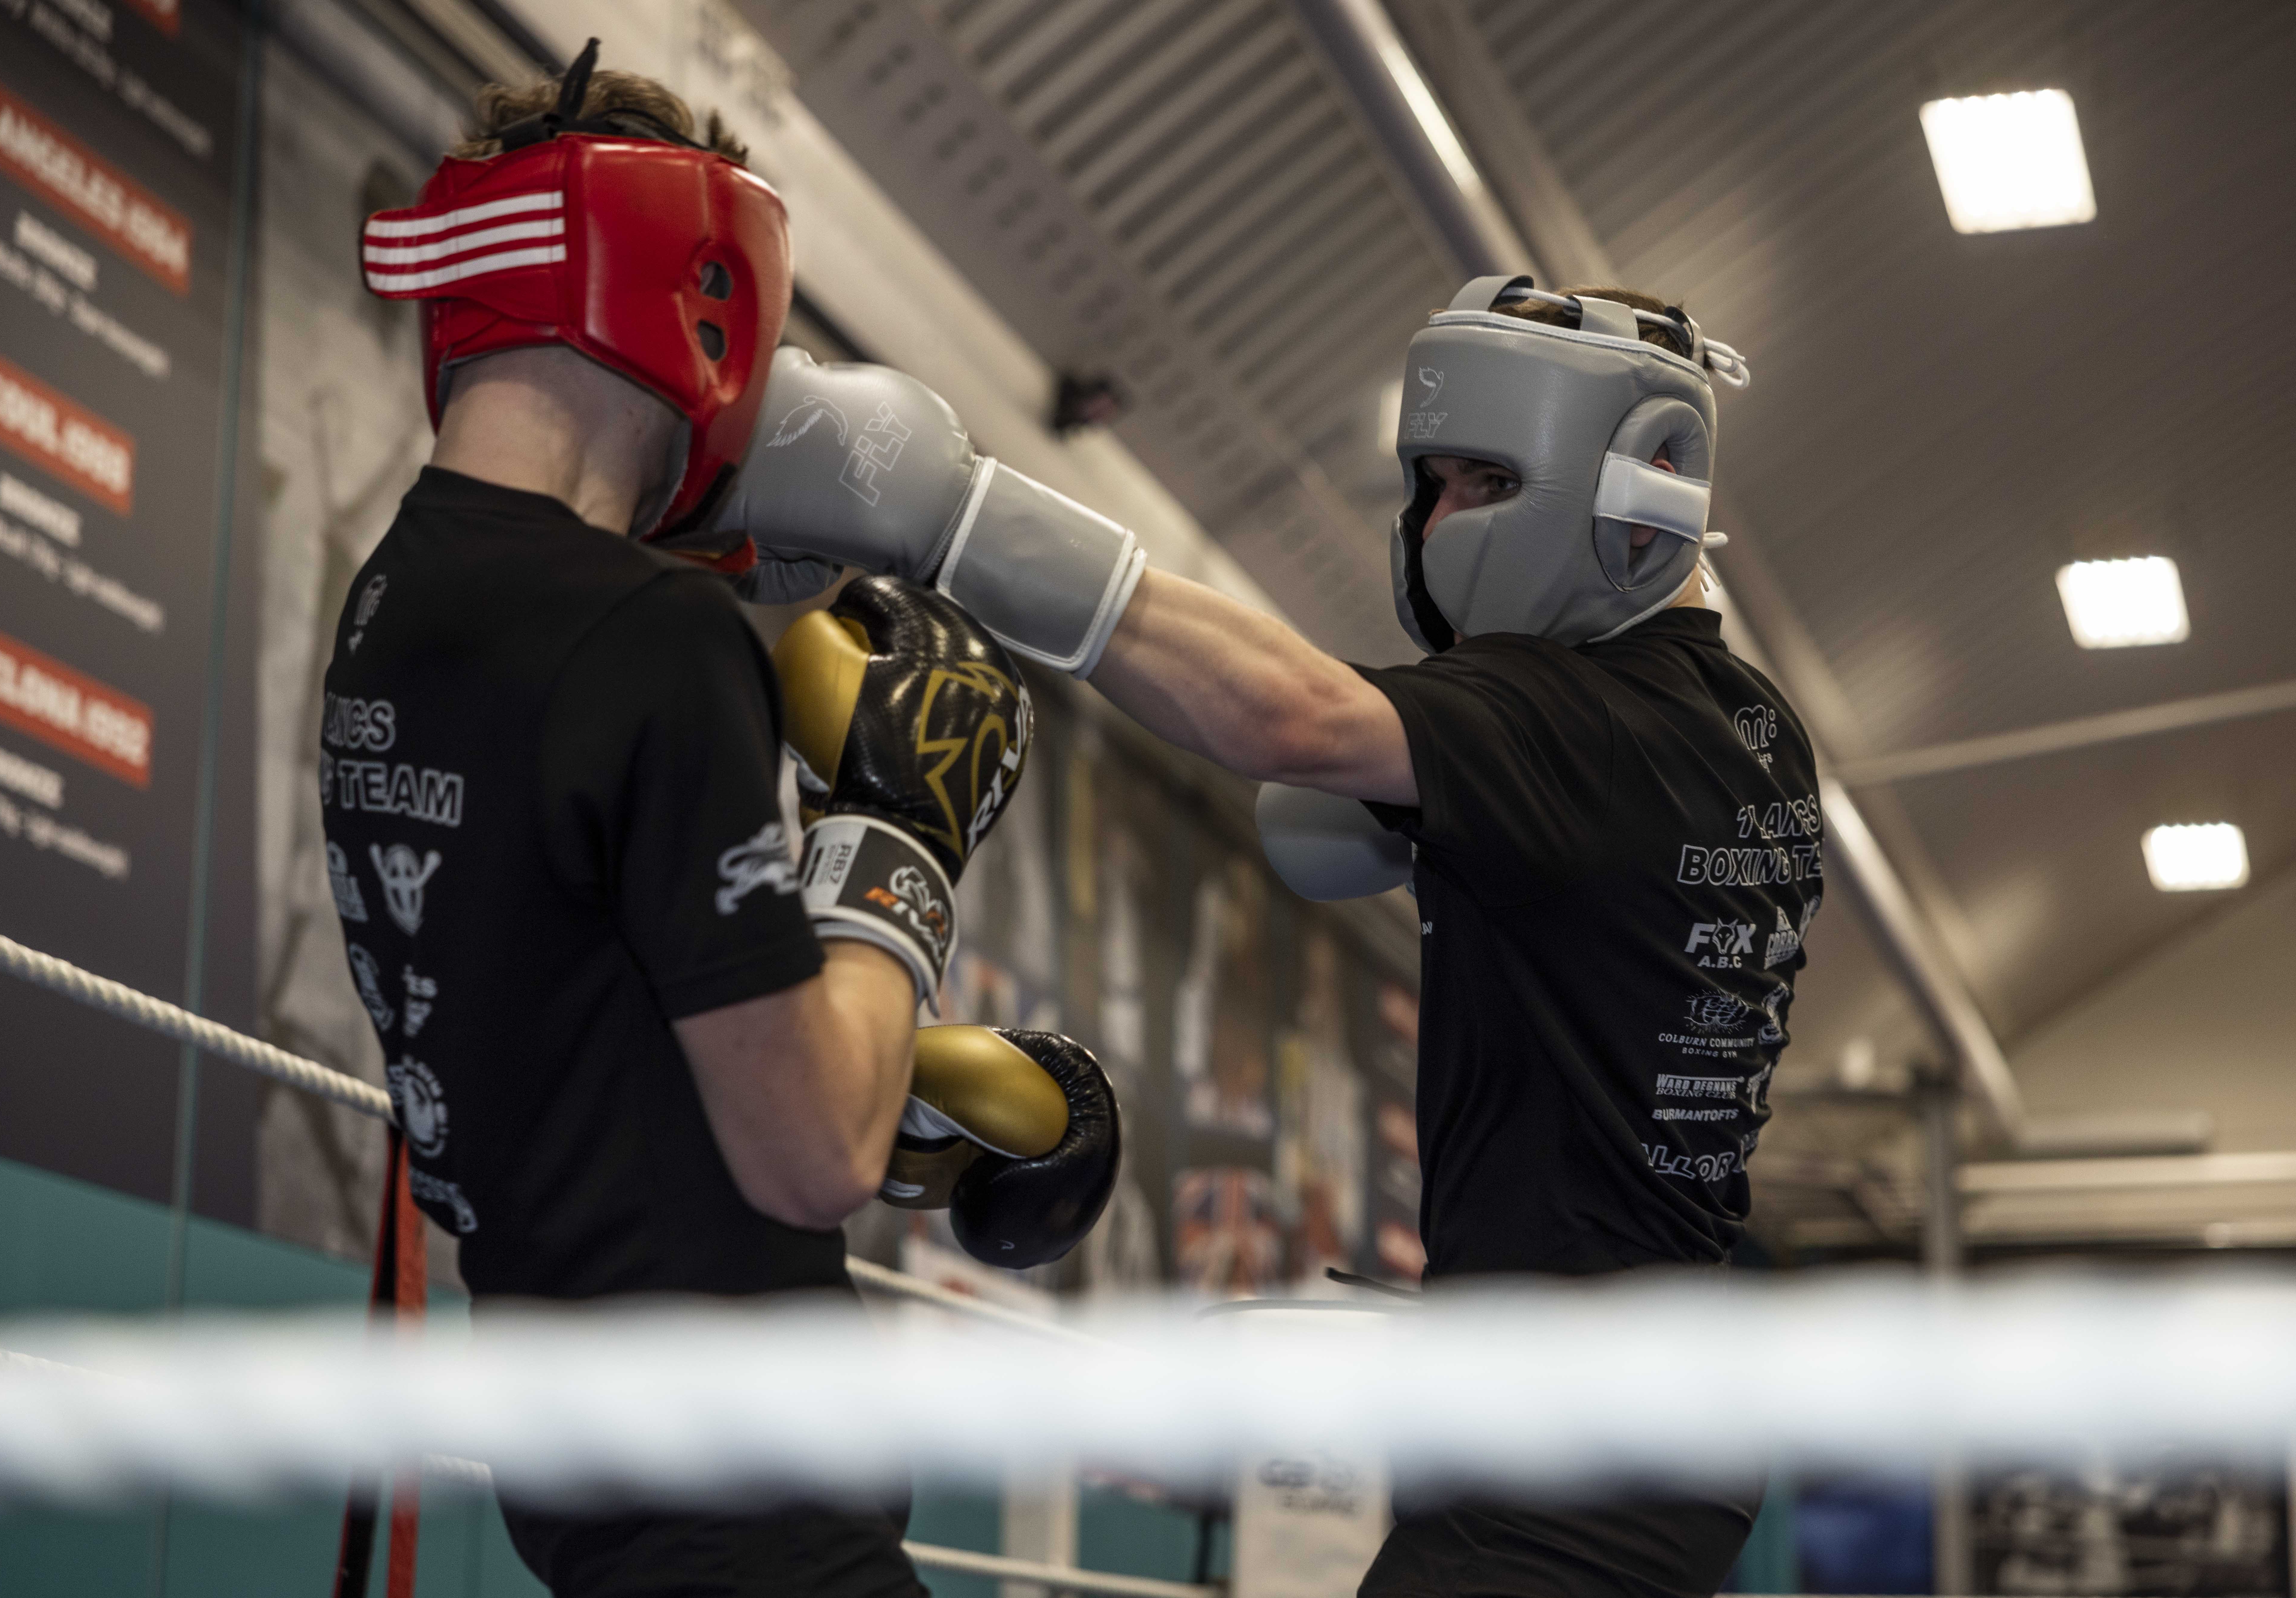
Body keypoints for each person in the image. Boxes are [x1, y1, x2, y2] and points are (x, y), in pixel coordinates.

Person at [717, 275, 1814, 1596]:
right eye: (1431, 487)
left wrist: (943, 509)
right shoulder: (1746, 733)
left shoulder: (1584, 720)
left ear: (1644, 487)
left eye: (1483, 483)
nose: (1437, 525)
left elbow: (1284, 718)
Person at [332, 42, 1115, 1598]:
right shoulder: (645, 637)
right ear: (702, 301)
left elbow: (587, 1023)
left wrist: (908, 1082)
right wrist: (900, 830)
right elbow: (810, 1156)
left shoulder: (389, 616)